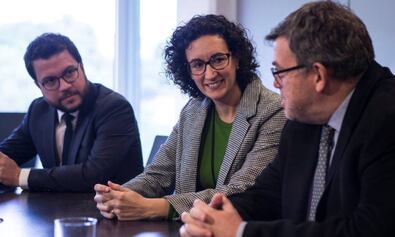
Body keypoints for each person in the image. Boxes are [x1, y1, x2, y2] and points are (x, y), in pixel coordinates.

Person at [180, 2, 395, 237]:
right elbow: (268, 193)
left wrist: (240, 231)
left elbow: (371, 230)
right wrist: (214, 217)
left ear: (318, 76)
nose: (275, 83)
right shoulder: (303, 117)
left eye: (280, 72)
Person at [94, 14, 286, 220]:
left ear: (237, 58)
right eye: (197, 64)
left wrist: (154, 207)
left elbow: (242, 191)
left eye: (218, 60)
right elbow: (158, 175)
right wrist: (118, 196)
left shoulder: (273, 110)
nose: (210, 74)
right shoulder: (193, 110)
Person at [0, 33, 144, 192]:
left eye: (69, 72)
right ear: (38, 86)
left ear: (81, 67)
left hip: (112, 214)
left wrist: (20, 176)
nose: (65, 86)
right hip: (54, 212)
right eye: (50, 81)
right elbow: (5, 159)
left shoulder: (114, 108)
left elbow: (94, 176)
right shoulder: (39, 111)